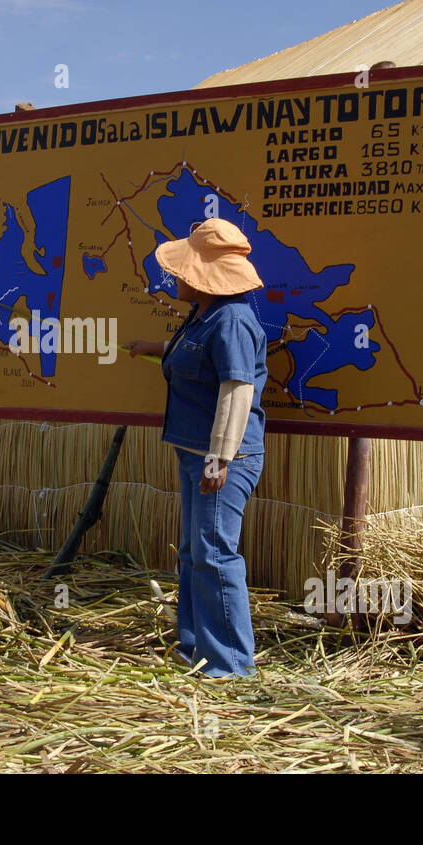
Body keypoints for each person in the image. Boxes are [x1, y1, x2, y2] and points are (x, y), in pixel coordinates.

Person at [125, 218, 268, 678]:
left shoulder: (232, 321)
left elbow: (236, 388)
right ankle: (196, 647)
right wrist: (154, 348)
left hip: (222, 458)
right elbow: (198, 356)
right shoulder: (205, 315)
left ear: (204, 277)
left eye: (185, 270)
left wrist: (219, 458)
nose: (178, 277)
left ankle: (230, 665)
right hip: (193, 451)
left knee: (214, 554)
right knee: (193, 551)